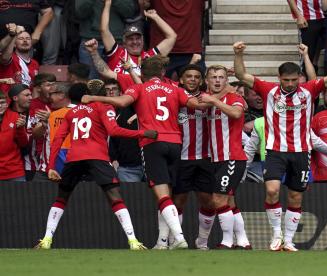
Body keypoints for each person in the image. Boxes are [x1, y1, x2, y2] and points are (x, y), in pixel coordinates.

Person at [81, 55, 207, 249]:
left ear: (143, 73)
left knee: (162, 195)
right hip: (175, 144)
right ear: (163, 72)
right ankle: (162, 242)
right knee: (167, 195)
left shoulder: (138, 87)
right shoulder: (175, 88)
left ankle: (179, 237)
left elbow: (122, 102)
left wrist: (94, 97)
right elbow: (196, 105)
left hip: (152, 143)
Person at [234, 37, 327, 251]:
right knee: (273, 190)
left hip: (301, 152)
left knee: (295, 196)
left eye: (294, 80)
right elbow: (240, 75)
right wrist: (238, 54)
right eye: (286, 80)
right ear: (279, 79)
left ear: (299, 79)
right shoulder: (268, 90)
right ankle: (276, 235)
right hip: (275, 151)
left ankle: (289, 240)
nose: (291, 84)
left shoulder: (309, 90)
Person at [34, 83, 158, 250]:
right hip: (97, 157)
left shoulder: (71, 113)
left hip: (74, 159)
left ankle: (46, 240)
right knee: (115, 197)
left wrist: (51, 167)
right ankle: (133, 241)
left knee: (61, 198)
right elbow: (114, 131)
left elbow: (57, 140)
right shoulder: (104, 107)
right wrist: (143, 133)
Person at [155, 64, 215, 250]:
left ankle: (202, 242)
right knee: (177, 200)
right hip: (180, 158)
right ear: (181, 80)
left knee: (208, 201)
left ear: (202, 80)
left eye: (197, 77)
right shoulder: (173, 96)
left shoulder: (209, 98)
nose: (192, 79)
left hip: (205, 157)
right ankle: (171, 240)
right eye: (188, 76)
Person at [197, 65, 251, 249]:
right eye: (213, 77)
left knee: (218, 200)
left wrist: (214, 100)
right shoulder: (205, 99)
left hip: (232, 157)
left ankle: (226, 242)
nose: (218, 80)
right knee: (229, 201)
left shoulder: (234, 98)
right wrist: (212, 99)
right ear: (207, 80)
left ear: (226, 80)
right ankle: (243, 241)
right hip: (216, 158)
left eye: (221, 77)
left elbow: (236, 113)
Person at [101, 0, 177, 75]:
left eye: (138, 38)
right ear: (124, 42)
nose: (135, 42)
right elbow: (104, 30)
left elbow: (172, 36)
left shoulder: (151, 57)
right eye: (130, 39)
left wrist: (156, 17)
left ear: (143, 40)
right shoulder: (117, 54)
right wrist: (108, 4)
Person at [0, 24, 39, 93]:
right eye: (21, 38)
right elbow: (5, 58)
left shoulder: (35, 63)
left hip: (26, 101)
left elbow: (34, 87)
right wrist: (14, 35)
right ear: (14, 44)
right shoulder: (11, 58)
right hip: (8, 100)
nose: (25, 41)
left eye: (28, 38)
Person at [0, 90, 28, 181]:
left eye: (2, 103)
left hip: (13, 171)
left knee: (20, 195)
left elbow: (24, 144)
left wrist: (20, 128)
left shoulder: (14, 116)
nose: (0, 106)